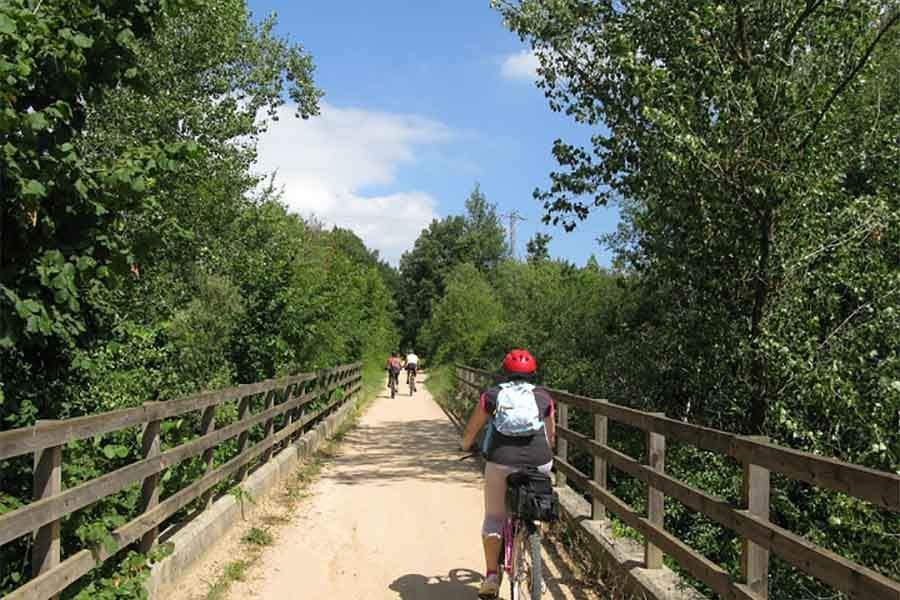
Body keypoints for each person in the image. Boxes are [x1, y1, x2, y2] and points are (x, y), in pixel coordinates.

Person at [459, 349, 555, 599]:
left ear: (505, 373)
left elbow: (472, 429)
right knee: (536, 506)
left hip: (502, 461)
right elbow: (551, 435)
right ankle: (533, 543)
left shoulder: (492, 395)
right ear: (533, 374)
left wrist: (466, 445)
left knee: (494, 516)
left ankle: (491, 576)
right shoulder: (544, 397)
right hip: (539, 459)